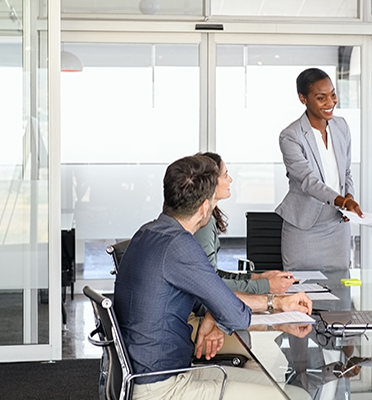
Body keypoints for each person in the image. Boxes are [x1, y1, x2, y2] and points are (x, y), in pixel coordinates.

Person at [114, 155, 313, 400]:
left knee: (276, 386)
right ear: (205, 207)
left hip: (159, 375)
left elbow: (214, 295)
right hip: (164, 388)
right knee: (297, 397)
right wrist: (271, 305)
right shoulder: (180, 245)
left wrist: (276, 304)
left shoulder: (147, 232)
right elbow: (232, 313)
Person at [276, 68, 363, 270]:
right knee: (301, 292)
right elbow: (308, 181)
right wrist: (343, 201)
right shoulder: (291, 136)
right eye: (321, 98)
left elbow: (346, 172)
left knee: (340, 291)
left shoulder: (341, 127)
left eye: (332, 95)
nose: (330, 103)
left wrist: (349, 195)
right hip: (304, 229)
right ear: (303, 98)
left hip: (337, 225)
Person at [193, 152, 296, 295]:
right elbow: (209, 283)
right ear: (211, 182)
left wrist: (256, 278)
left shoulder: (207, 217)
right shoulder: (203, 223)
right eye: (225, 175)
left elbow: (212, 274)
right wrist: (264, 286)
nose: (230, 179)